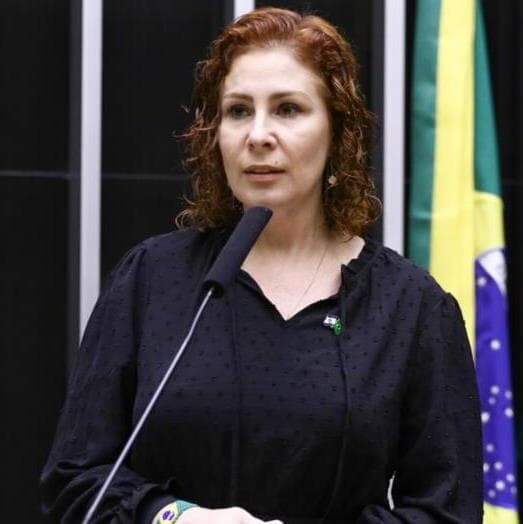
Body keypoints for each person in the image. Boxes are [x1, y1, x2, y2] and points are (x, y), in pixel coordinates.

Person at [41, 7, 483, 524]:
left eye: (288, 109)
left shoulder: (411, 307)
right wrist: (177, 517)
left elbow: (446, 512)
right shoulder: (151, 279)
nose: (258, 134)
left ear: (339, 132)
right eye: (238, 111)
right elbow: (75, 482)